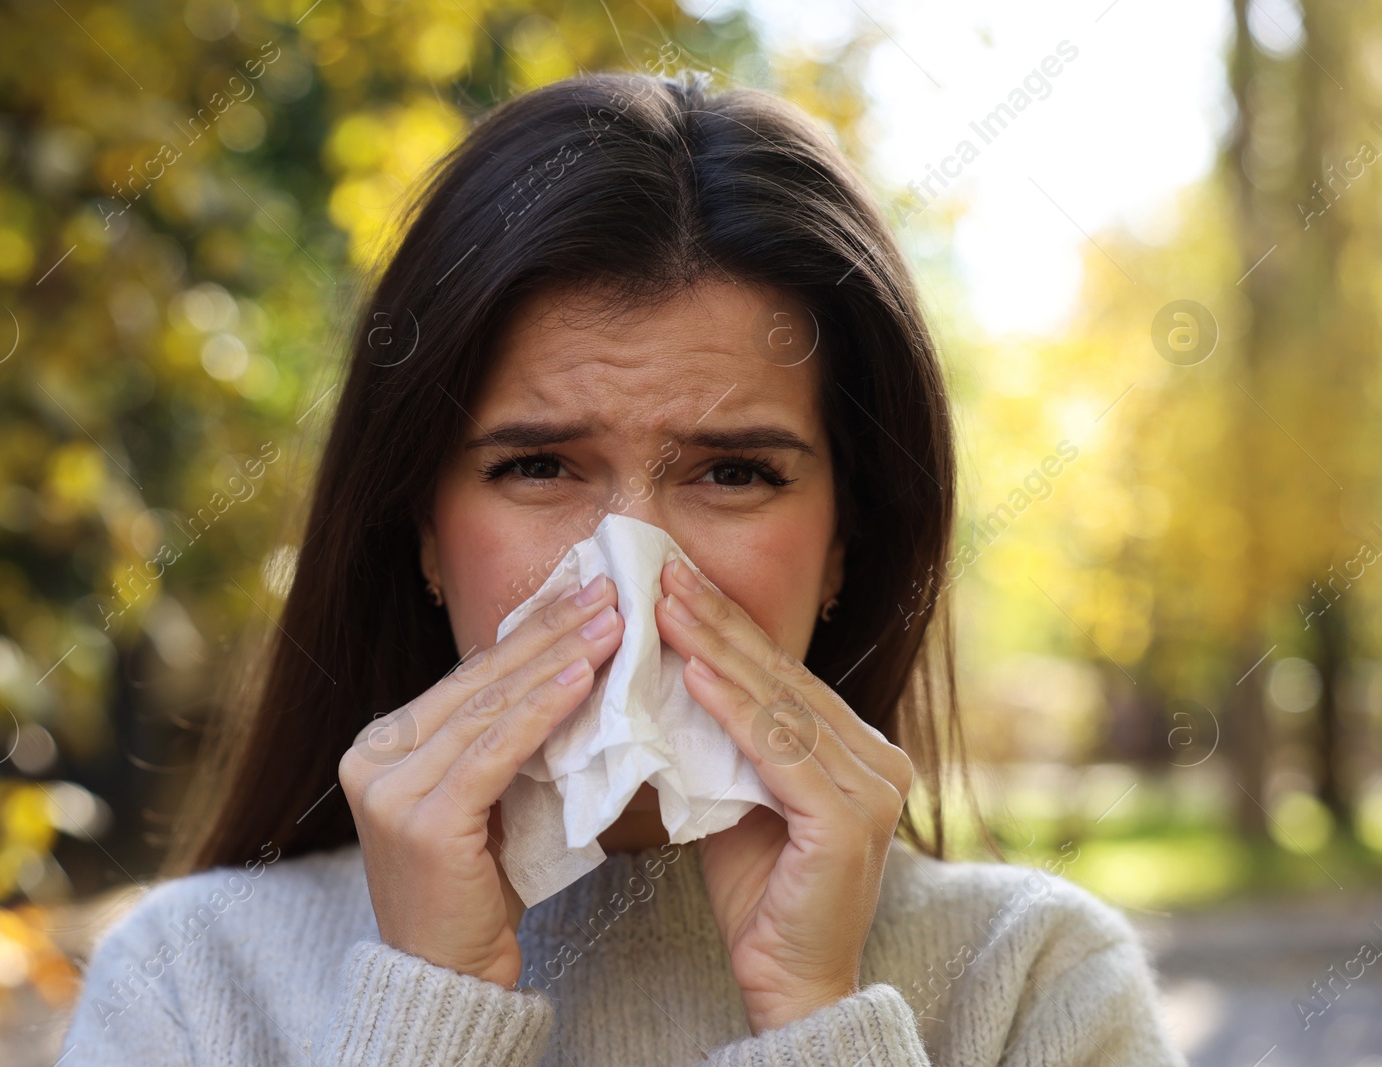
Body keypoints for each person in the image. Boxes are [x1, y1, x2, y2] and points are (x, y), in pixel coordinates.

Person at [57, 69, 1186, 1065]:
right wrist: (427, 1011)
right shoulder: (191, 983)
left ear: (848, 541)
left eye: (734, 471)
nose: (627, 573)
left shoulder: (1035, 980)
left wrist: (813, 1016)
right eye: (539, 465)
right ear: (422, 535)